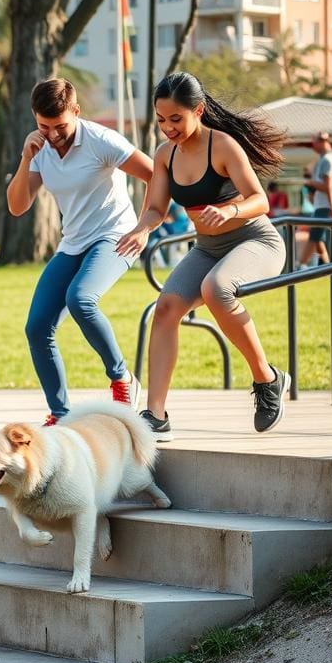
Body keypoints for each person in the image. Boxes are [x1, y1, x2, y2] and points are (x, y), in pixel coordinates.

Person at [117, 71, 290, 439]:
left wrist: (230, 211)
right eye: (162, 119)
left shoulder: (223, 146)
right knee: (165, 309)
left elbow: (260, 200)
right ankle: (156, 415)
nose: (168, 128)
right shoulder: (165, 155)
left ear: (198, 110)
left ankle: (268, 379)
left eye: (176, 119)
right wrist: (142, 229)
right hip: (208, 249)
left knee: (216, 289)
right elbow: (156, 209)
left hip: (255, 242)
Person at [6, 77, 154, 425]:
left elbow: (156, 174)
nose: (53, 134)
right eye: (44, 125)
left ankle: (122, 378)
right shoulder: (39, 148)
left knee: (81, 299)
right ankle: (60, 414)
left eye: (60, 125)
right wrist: (26, 159)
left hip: (115, 236)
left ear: (76, 111)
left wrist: (144, 226)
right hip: (73, 242)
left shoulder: (101, 140)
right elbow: (17, 206)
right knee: (37, 327)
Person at [298, 131, 332, 267]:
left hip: (326, 206)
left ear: (324, 142)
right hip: (324, 205)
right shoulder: (324, 159)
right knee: (320, 238)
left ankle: (301, 266)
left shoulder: (328, 159)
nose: (314, 145)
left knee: (316, 237)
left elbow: (328, 185)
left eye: (316, 141)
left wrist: (310, 183)